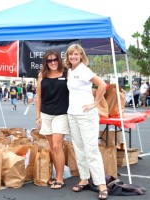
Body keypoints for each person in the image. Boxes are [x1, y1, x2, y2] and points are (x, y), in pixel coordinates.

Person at [64, 44, 108, 200]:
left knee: (91, 150)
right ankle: (84, 178)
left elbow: (103, 85)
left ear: (81, 55)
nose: (73, 57)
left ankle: (101, 184)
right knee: (79, 148)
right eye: (71, 54)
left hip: (86, 116)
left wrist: (95, 103)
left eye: (76, 54)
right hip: (73, 115)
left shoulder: (84, 70)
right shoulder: (71, 71)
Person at [36, 50, 69, 189]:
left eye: (55, 59)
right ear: (46, 62)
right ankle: (55, 174)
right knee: (51, 147)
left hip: (62, 114)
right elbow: (38, 97)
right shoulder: (42, 75)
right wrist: (37, 116)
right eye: (49, 60)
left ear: (58, 60)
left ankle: (60, 178)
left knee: (57, 146)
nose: (53, 62)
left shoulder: (67, 73)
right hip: (46, 114)